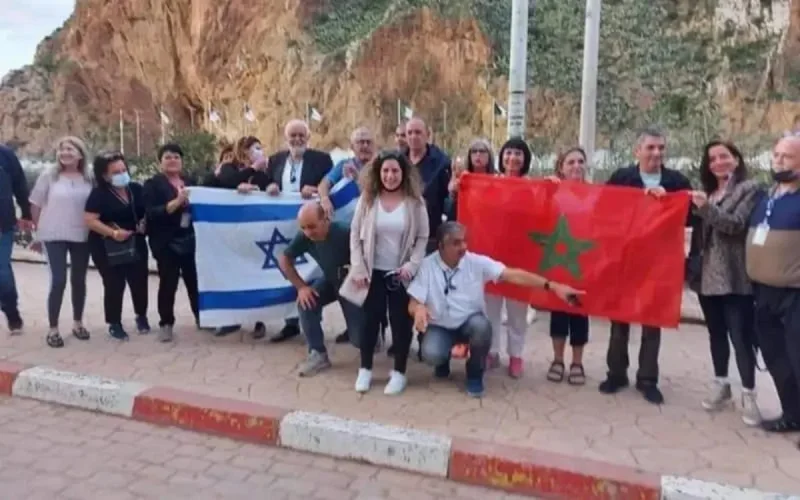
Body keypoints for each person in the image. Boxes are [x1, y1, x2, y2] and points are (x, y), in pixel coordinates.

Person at [409, 222, 584, 398]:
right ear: (441, 246)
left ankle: (475, 374)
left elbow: (513, 275)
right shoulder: (427, 266)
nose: (463, 247)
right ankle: (443, 360)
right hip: (441, 326)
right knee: (431, 353)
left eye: (464, 241)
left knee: (482, 327)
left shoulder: (476, 262)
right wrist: (418, 309)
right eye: (456, 243)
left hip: (470, 324)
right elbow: (413, 302)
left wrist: (551, 286)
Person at [598, 128, 692, 405]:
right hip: (625, 259)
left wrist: (669, 203)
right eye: (650, 148)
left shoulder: (677, 181)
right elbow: (605, 211)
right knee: (619, 319)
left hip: (660, 262)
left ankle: (648, 379)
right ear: (636, 151)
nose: (656, 153)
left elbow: (691, 218)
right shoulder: (621, 178)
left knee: (653, 319)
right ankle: (616, 373)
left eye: (661, 148)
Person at [688, 140, 763, 425]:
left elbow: (735, 225)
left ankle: (749, 394)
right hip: (706, 276)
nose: (718, 162)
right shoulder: (707, 192)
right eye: (712, 159)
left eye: (724, 156)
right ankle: (721, 383)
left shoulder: (750, 189)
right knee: (716, 333)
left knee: (741, 337)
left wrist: (706, 208)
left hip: (734, 276)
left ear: (736, 158)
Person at [345, 150, 429, 395]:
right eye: (385, 171)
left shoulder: (415, 202)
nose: (390, 176)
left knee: (401, 323)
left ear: (403, 173)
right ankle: (365, 369)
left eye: (395, 171)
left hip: (400, 274)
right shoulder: (368, 199)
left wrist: (411, 266)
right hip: (371, 272)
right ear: (378, 173)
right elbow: (355, 235)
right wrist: (358, 267)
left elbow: (423, 237)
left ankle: (400, 372)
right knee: (369, 322)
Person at [746, 135, 800, 437]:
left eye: (787, 156)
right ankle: (791, 414)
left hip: (795, 294)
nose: (779, 160)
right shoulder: (767, 198)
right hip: (763, 293)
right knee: (776, 357)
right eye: (776, 155)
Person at [263, 119, 334, 344]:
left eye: (301, 135)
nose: (297, 139)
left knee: (312, 272)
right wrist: (269, 187)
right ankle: (290, 323)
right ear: (286, 138)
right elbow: (265, 183)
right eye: (292, 135)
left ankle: (311, 320)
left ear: (308, 137)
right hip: (282, 227)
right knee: (287, 270)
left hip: (311, 228)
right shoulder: (274, 160)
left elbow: (330, 185)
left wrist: (315, 190)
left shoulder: (322, 160)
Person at [278, 202, 364, 377]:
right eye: (303, 228)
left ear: (325, 219)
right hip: (331, 280)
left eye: (312, 227)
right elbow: (284, 258)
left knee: (361, 340)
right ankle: (317, 354)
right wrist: (301, 287)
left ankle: (370, 330)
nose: (308, 232)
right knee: (305, 303)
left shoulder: (344, 232)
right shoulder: (304, 236)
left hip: (352, 284)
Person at [29, 136, 93, 347]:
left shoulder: (89, 177)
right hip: (53, 234)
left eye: (70, 149)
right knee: (58, 280)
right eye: (62, 149)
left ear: (80, 154)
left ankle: (77, 323)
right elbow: (35, 204)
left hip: (82, 235)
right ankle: (53, 328)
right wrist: (37, 232)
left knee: (79, 280)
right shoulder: (49, 175)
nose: (65, 153)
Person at [318, 126, 378, 345]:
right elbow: (325, 184)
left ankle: (374, 331)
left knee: (372, 285)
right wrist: (324, 198)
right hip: (347, 235)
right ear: (351, 146)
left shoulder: (382, 166)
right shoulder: (344, 165)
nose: (363, 145)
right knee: (348, 281)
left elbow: (378, 196)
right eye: (359, 142)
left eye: (367, 141)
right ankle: (353, 325)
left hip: (373, 234)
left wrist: (359, 179)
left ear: (374, 145)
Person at [84, 152, 150, 340]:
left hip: (133, 240)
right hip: (106, 244)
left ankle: (141, 316)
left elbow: (145, 211)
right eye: (116, 172)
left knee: (139, 280)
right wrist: (113, 233)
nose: (122, 174)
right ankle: (114, 323)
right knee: (114, 283)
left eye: (124, 170)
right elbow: (89, 220)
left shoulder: (135, 189)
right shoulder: (99, 194)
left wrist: (144, 223)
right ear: (105, 176)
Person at [485, 138, 535, 378]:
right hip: (492, 255)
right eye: (508, 153)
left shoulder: (533, 188)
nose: (512, 158)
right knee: (490, 309)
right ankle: (491, 352)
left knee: (517, 311)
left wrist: (553, 187)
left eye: (518, 153)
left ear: (525, 159)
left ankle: (516, 355)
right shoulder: (489, 184)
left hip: (521, 258)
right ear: (501, 157)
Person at [211, 136, 270, 338]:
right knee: (232, 274)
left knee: (254, 274)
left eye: (261, 148)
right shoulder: (229, 167)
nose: (259, 152)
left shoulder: (262, 172)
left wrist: (271, 186)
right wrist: (252, 169)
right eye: (255, 148)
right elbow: (228, 181)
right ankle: (231, 320)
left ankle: (258, 320)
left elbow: (269, 186)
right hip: (231, 233)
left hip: (254, 231)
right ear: (244, 151)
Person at [543, 147, 591, 385]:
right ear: (561, 167)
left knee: (580, 313)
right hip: (559, 260)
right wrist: (545, 191)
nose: (576, 166)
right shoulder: (553, 192)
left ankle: (577, 362)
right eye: (570, 162)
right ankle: (558, 360)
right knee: (559, 311)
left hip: (584, 262)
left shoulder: (597, 194)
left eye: (580, 161)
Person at [143, 143, 201, 342]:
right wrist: (176, 202)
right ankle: (166, 322)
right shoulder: (152, 184)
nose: (172, 160)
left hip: (191, 239)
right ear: (160, 163)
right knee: (168, 283)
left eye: (176, 156)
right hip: (166, 242)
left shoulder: (191, 181)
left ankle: (201, 316)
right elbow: (152, 213)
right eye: (167, 157)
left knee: (195, 282)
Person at [0, 144, 32, 335]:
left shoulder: (5, 156)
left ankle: (11, 311)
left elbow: (20, 185)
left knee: (2, 273)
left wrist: (27, 214)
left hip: (2, 226)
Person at [445, 137, 495, 221]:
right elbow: (450, 212)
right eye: (474, 151)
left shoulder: (497, 180)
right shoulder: (462, 179)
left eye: (482, 151)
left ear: (489, 155)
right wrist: (453, 194)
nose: (478, 154)